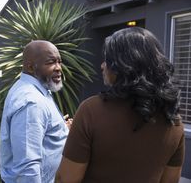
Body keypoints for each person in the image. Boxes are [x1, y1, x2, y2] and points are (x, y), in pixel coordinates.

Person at [56, 27, 185, 183]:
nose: (102, 66)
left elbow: (66, 179)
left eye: (108, 60)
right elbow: (170, 180)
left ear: (124, 65)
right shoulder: (173, 120)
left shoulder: (91, 111)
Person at [0, 40, 71, 183]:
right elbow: (27, 167)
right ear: (31, 67)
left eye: (59, 62)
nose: (58, 68)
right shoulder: (31, 102)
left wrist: (62, 128)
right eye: (51, 62)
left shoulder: (39, 90)